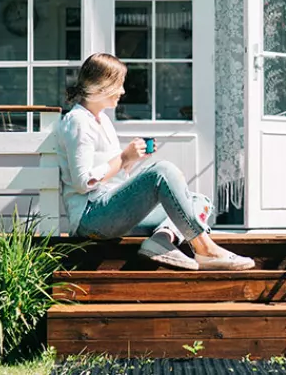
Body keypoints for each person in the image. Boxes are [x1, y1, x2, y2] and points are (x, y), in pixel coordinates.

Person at [55, 53, 255, 271]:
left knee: (199, 201)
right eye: (119, 85)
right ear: (101, 87)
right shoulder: (78, 122)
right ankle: (205, 249)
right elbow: (82, 182)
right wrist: (123, 158)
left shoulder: (101, 120)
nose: (122, 91)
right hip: (91, 218)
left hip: (110, 211)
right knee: (162, 171)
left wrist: (130, 160)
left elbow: (111, 175)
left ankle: (161, 239)